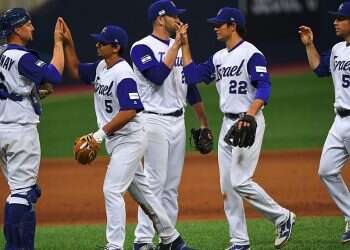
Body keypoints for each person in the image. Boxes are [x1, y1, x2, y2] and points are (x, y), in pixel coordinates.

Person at [60, 19, 193, 250]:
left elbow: (130, 110)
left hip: (131, 139)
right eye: (97, 42)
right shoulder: (102, 67)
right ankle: (172, 239)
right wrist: (68, 42)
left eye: (102, 43)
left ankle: (114, 246)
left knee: (112, 189)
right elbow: (75, 69)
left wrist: (99, 135)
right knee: (145, 195)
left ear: (116, 47)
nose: (97, 45)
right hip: (119, 140)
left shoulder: (123, 73)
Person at [180, 7, 296, 250]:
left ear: (233, 26)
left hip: (247, 122)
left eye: (220, 23)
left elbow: (264, 88)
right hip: (226, 125)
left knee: (240, 180)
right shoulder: (219, 57)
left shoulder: (252, 54)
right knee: (227, 187)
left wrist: (249, 116)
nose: (215, 27)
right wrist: (184, 43)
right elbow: (192, 75)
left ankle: (281, 217)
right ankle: (240, 241)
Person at [130, 1, 209, 249]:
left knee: (171, 187)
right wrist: (177, 44)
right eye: (175, 16)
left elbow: (191, 85)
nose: (179, 20)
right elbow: (156, 76)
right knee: (153, 183)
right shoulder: (141, 47)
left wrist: (203, 120)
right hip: (152, 120)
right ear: (160, 19)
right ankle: (142, 240)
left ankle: (168, 240)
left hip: (178, 120)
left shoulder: (180, 47)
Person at [0, 8, 64, 250]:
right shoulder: (21, 57)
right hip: (19, 129)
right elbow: (54, 75)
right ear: (17, 29)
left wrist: (28, 94)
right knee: (23, 192)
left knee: (20, 190)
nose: (32, 28)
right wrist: (59, 43)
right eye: (28, 24)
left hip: (3, 126)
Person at [299, 1, 350, 244]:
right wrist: (310, 45)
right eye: (335, 18)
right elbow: (319, 68)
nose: (335, 22)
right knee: (327, 170)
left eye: (341, 18)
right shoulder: (338, 49)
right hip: (339, 121)